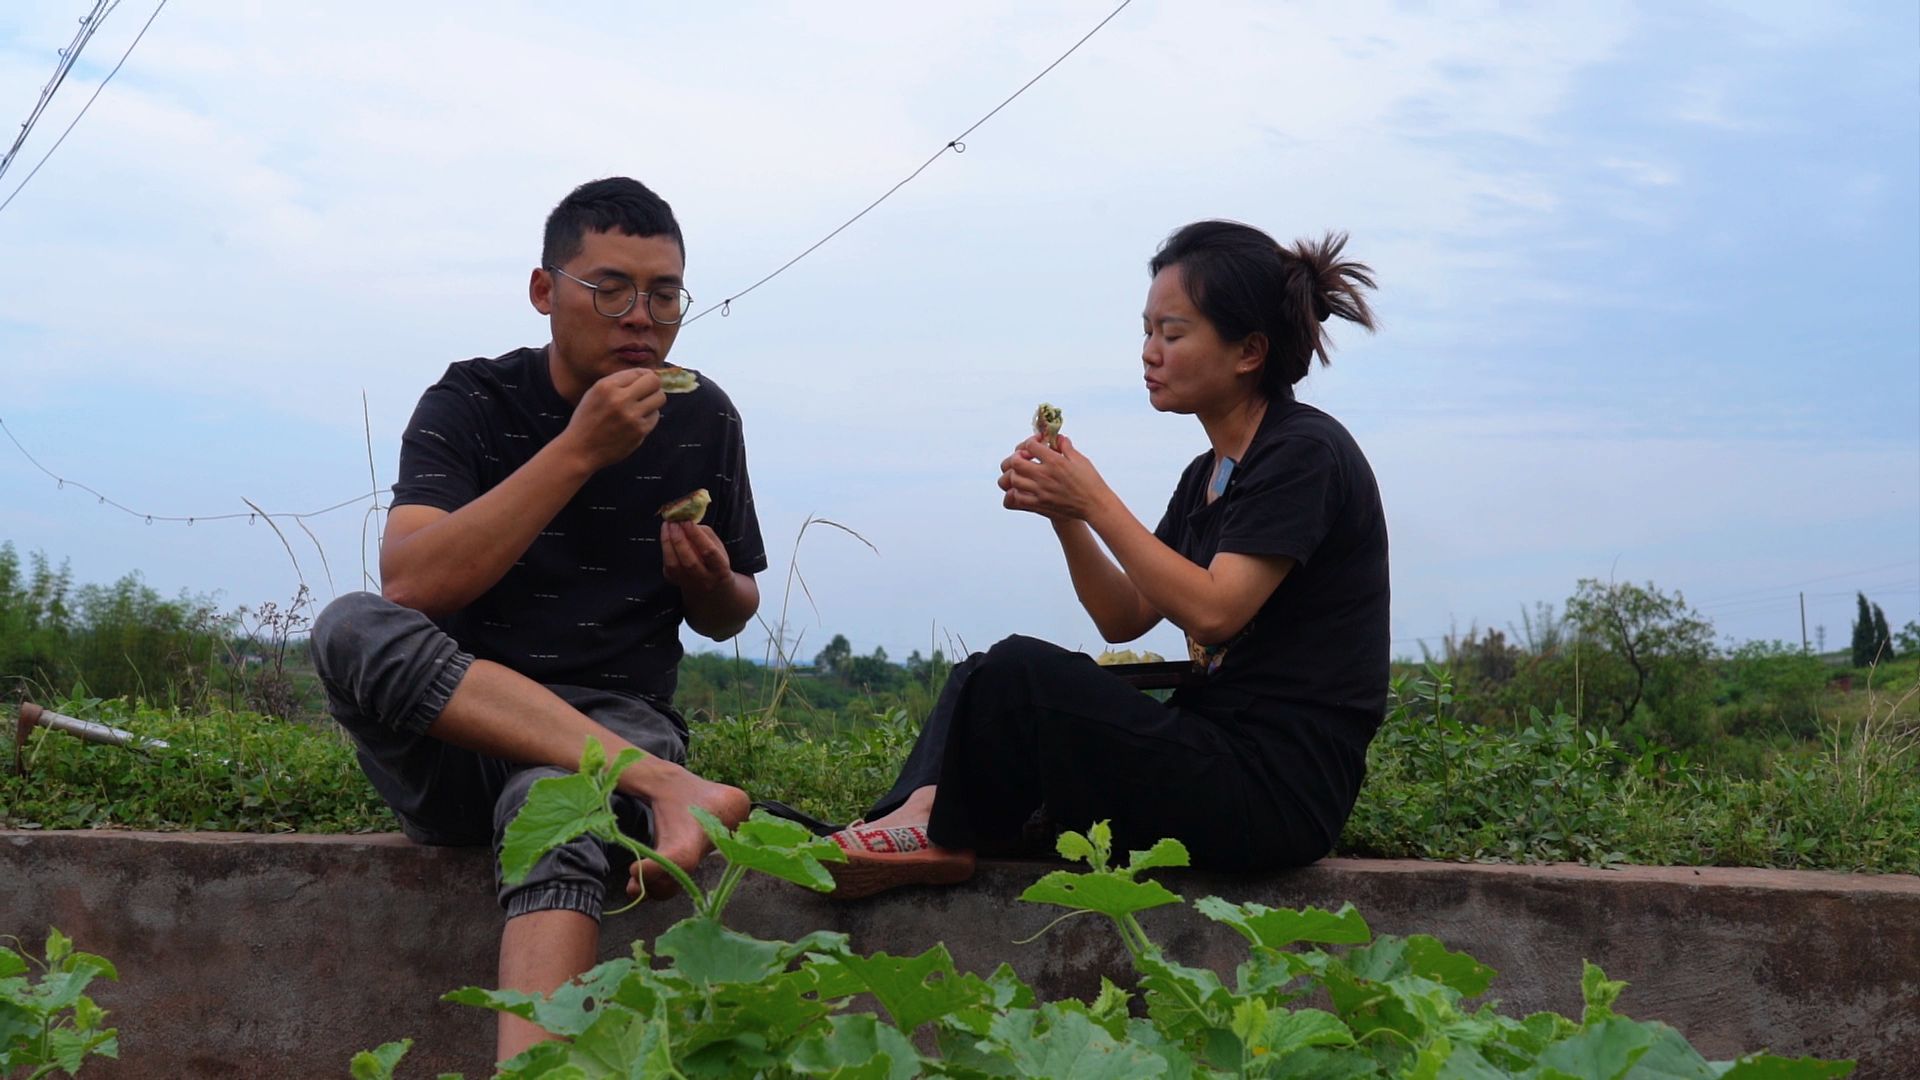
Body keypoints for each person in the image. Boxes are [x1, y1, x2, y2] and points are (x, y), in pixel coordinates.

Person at [309, 177, 761, 1059]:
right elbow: (412, 584)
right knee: (350, 625)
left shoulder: (703, 413)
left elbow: (731, 612)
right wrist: (580, 449)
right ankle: (673, 789)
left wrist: (710, 580)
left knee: (557, 805)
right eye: (610, 287)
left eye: (664, 294)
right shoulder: (473, 400)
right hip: (458, 744)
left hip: (611, 719)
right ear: (544, 292)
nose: (641, 315)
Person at [828, 221, 1388, 899]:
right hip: (1211, 748)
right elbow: (1124, 616)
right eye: (1147, 331)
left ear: (1248, 351)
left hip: (1276, 789)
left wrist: (1095, 501)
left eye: (1172, 334)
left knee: (1019, 673)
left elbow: (1214, 610)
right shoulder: (1207, 476)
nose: (1149, 353)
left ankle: (941, 830)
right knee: (981, 676)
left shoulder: (1303, 453)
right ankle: (914, 821)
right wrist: (1067, 516)